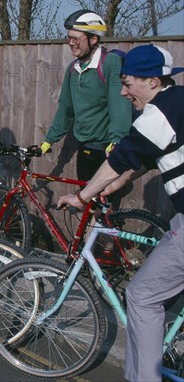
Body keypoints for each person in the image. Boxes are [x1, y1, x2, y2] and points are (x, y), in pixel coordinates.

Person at [57, 44, 184, 382]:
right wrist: (112, 186)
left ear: (153, 81)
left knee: (141, 296)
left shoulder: (160, 112)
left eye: (128, 83)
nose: (124, 92)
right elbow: (143, 158)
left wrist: (83, 196)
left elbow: (120, 158)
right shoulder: (178, 103)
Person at [41, 10, 132, 181]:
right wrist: (49, 141)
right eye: (69, 38)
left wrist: (117, 140)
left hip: (107, 149)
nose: (71, 43)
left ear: (93, 39)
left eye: (76, 38)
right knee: (86, 200)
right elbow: (66, 109)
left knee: (103, 203)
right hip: (85, 147)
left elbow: (120, 105)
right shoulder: (73, 69)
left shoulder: (110, 63)